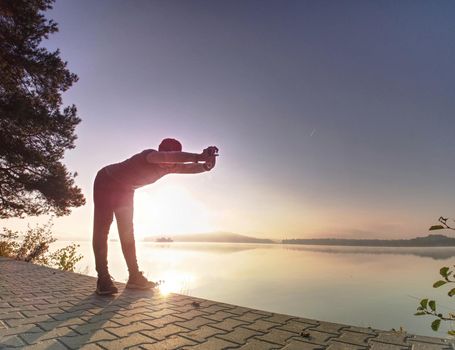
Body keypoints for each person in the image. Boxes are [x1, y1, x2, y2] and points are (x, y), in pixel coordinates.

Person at [92, 138, 218, 295]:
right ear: (160, 152)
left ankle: (134, 277)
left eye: (174, 159)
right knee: (102, 228)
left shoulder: (170, 167)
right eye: (169, 157)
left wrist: (207, 165)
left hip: (125, 189)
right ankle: (103, 279)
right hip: (106, 180)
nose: (169, 165)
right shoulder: (149, 155)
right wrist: (199, 155)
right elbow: (169, 158)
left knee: (127, 232)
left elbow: (191, 168)